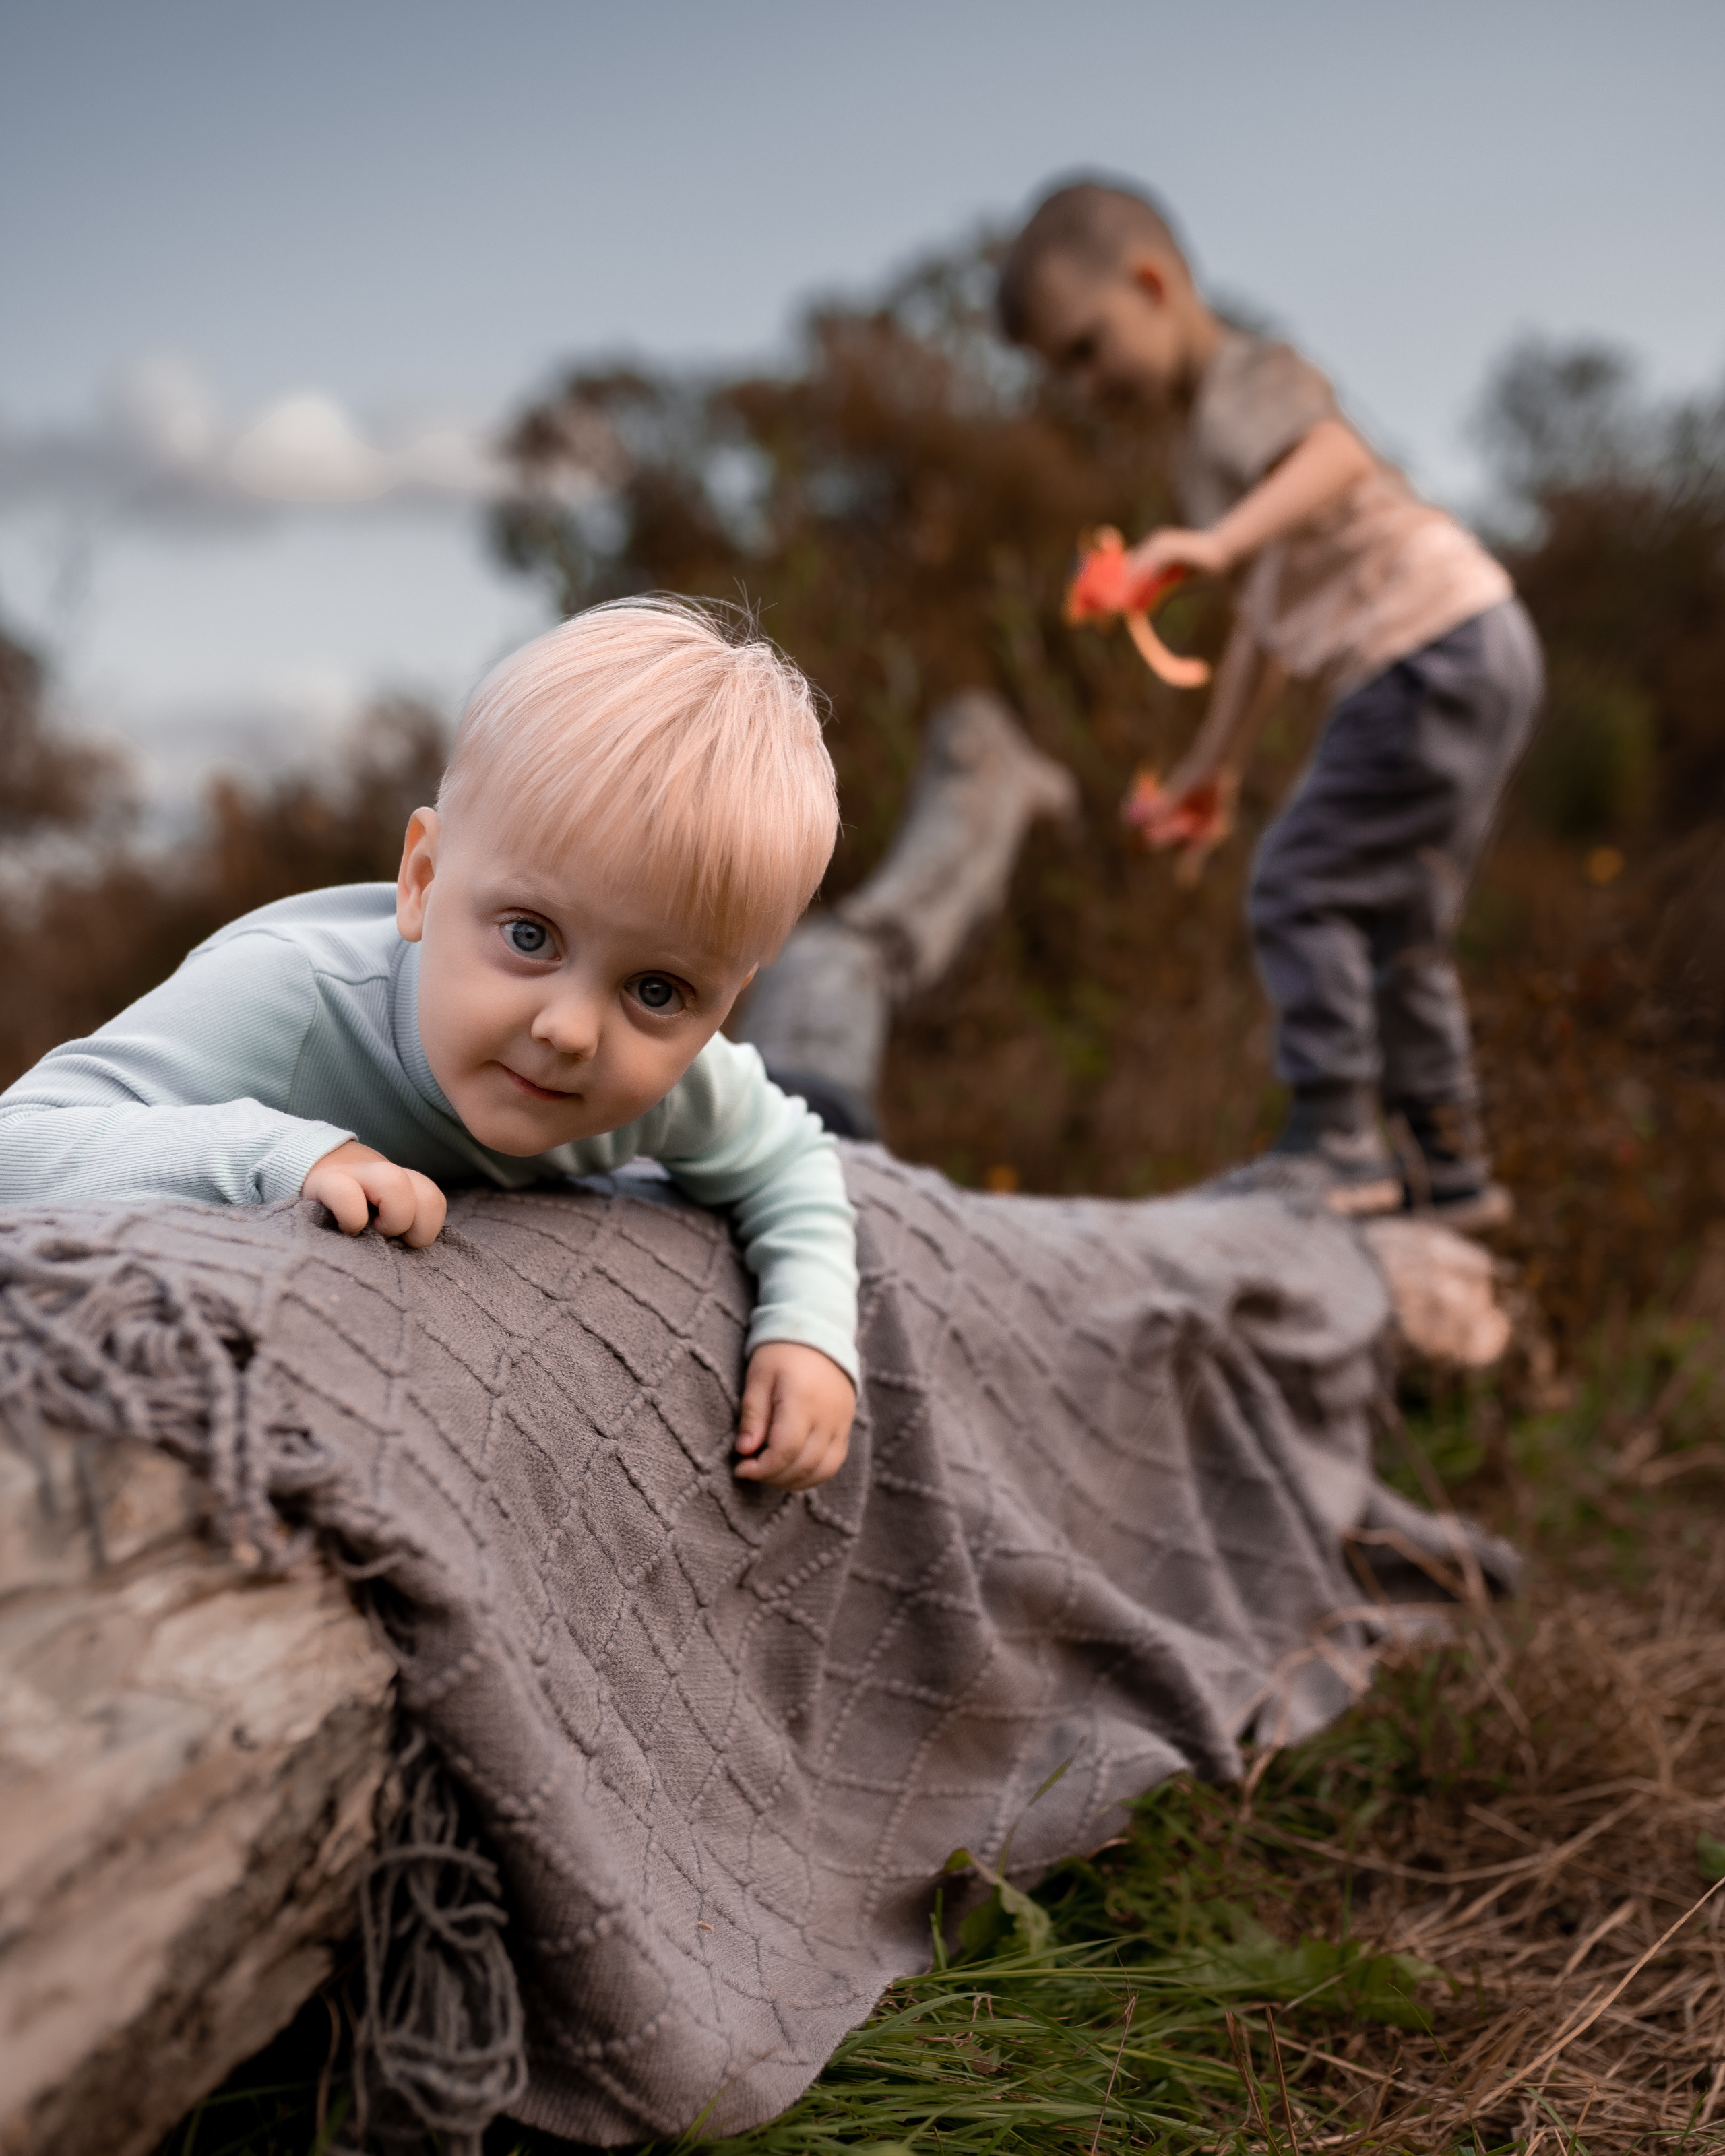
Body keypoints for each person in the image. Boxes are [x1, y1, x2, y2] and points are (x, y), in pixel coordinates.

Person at [0, 600, 858, 1488]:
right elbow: (18, 1143)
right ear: (422, 879)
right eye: (530, 937)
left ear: (722, 1007)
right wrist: (280, 1153)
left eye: (657, 990)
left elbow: (790, 1160)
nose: (567, 1031)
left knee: (831, 1115)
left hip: (764, 1089)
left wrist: (811, 1331)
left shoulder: (681, 1084)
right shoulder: (287, 1001)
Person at [998, 179, 1544, 1228]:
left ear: (1154, 285)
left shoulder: (1245, 379)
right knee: (1400, 922)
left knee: (1299, 885)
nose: (1080, 384)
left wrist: (1214, 542)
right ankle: (1450, 1165)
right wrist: (1215, 767)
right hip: (1475, 640)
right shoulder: (1210, 451)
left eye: (1085, 347)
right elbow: (1265, 621)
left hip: (1425, 645)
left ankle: (1337, 1141)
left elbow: (1336, 455)